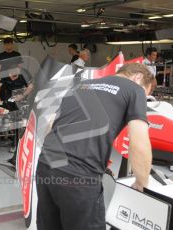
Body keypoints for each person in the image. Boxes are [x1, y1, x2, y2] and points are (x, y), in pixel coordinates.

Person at [36, 63, 154, 230]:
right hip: (79, 176)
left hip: (46, 166)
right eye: (146, 91)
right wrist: (142, 182)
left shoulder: (81, 85)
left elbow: (50, 125)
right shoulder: (134, 89)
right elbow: (140, 144)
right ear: (138, 77)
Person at [0, 66, 33, 165]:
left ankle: (23, 151)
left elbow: (31, 86)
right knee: (14, 125)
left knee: (23, 126)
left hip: (23, 100)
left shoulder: (25, 73)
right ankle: (16, 150)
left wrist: (22, 95)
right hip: (10, 100)